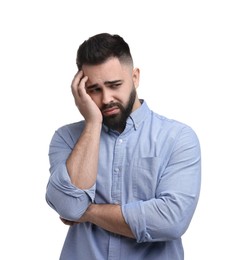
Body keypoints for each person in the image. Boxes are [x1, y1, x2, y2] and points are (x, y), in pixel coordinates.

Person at [45, 32, 201, 260]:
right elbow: (68, 206)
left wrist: (87, 212)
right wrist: (93, 123)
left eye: (114, 85)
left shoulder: (178, 138)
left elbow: (171, 220)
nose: (106, 98)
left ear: (135, 77)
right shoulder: (67, 138)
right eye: (94, 89)